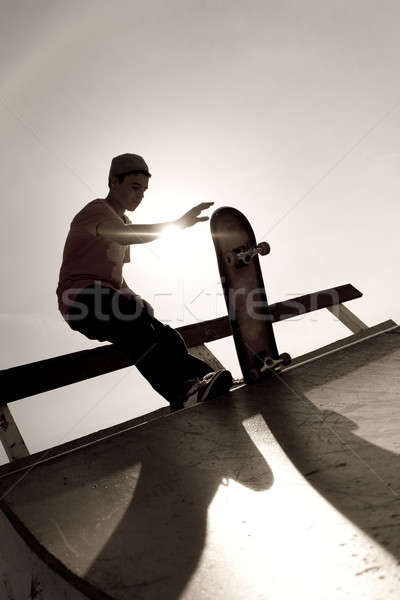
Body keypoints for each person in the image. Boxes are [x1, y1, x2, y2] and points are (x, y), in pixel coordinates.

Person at [56, 153, 232, 411]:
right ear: (114, 181)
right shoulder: (96, 211)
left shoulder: (125, 220)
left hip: (106, 297)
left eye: (144, 191)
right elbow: (126, 236)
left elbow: (116, 277)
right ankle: (181, 392)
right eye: (134, 187)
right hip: (79, 300)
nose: (139, 195)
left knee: (165, 336)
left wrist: (134, 296)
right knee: (134, 322)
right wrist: (178, 224)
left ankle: (205, 379)